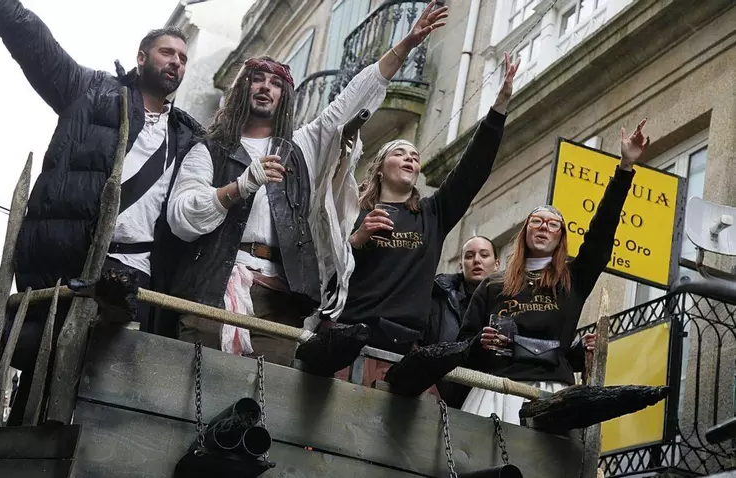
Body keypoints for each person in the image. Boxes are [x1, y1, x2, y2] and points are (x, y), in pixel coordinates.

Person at [167, 2, 449, 366]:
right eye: (257, 79)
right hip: (212, 288)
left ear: (284, 96)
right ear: (241, 89)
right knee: (196, 383)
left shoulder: (301, 146)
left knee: (267, 393)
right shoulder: (209, 150)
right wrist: (240, 186)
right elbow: (182, 218)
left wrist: (405, 45)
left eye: (275, 83)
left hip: (279, 299)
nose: (266, 87)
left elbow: (351, 99)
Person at [0, 0, 204, 424]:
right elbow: (32, 40)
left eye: (183, 58)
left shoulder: (189, 136)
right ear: (141, 58)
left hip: (136, 271)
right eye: (166, 52)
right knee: (43, 382)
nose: (176, 62)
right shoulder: (91, 91)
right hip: (72, 262)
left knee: (110, 392)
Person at [319, 51, 517, 358]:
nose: (409, 159)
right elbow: (324, 272)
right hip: (344, 334)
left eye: (414, 156)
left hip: (399, 344)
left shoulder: (432, 214)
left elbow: (472, 169)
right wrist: (357, 239)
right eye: (399, 154)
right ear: (379, 168)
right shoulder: (352, 213)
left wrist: (499, 109)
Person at [457, 118, 650, 424]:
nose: (544, 227)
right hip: (494, 390)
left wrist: (625, 168)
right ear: (525, 232)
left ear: (561, 238)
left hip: (551, 393)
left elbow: (600, 235)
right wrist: (481, 341)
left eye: (553, 224)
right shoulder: (492, 285)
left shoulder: (572, 279)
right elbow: (462, 345)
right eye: (537, 221)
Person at [427, 236, 594, 408]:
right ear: (460, 265)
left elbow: (548, 350)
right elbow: (444, 347)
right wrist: (428, 383)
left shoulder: (512, 293)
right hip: (452, 391)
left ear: (497, 264)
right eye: (469, 256)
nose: (476, 260)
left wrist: (579, 351)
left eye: (484, 255)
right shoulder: (439, 298)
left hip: (500, 387)